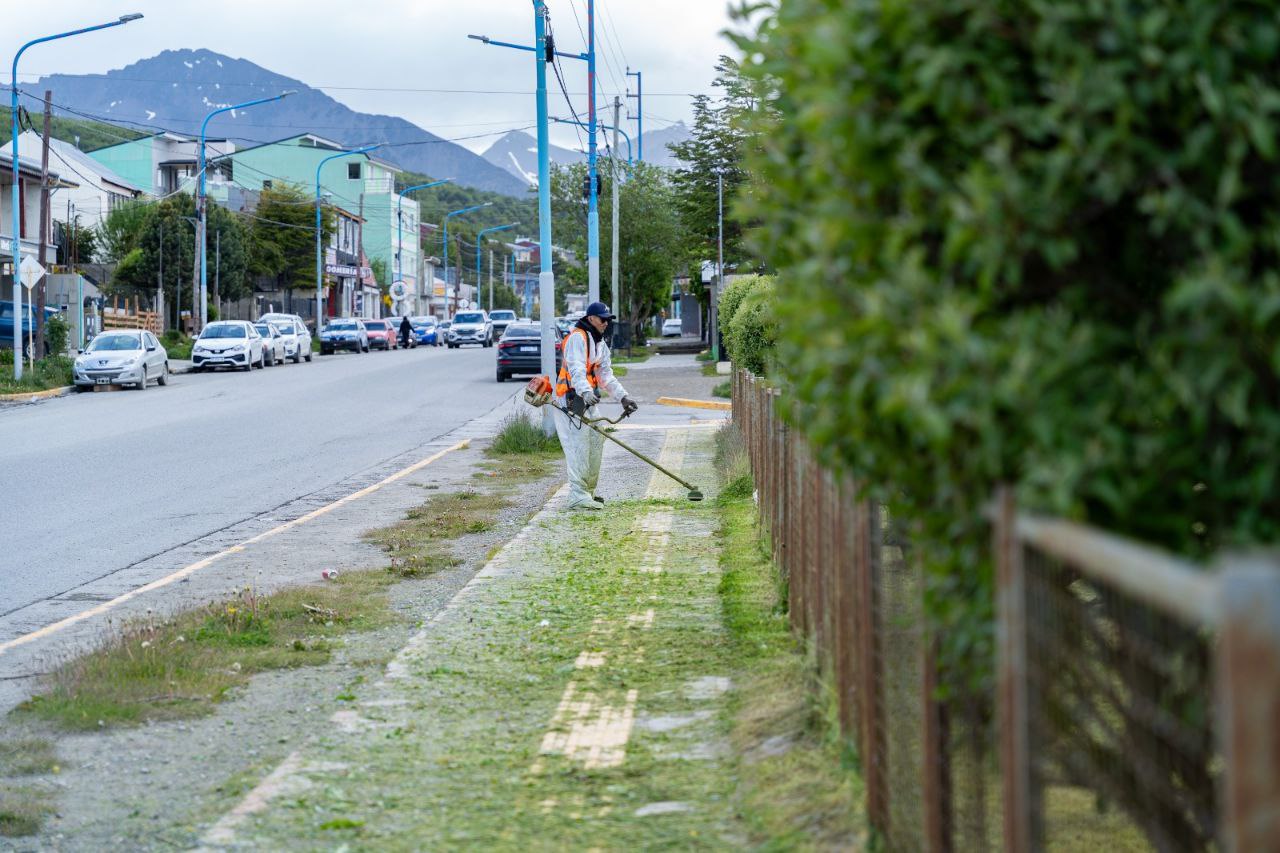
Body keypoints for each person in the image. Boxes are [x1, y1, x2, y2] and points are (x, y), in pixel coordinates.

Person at [554, 301, 639, 510]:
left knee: (596, 439)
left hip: (587, 399)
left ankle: (587, 493)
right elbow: (576, 369)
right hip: (571, 399)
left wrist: (623, 397)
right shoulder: (578, 338)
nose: (606, 323)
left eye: (608, 320)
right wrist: (585, 391)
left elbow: (605, 375)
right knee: (578, 447)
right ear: (591, 318)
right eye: (603, 319)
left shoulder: (599, 343)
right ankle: (577, 495)